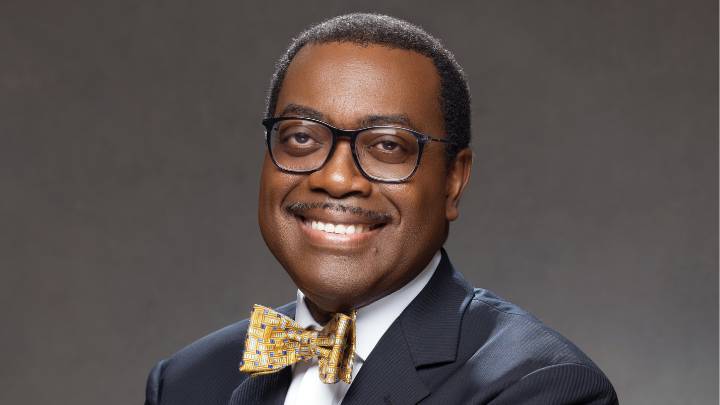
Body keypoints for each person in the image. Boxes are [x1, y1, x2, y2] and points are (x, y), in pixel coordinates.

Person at [145, 13, 618, 405]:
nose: (334, 178)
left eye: (388, 146)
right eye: (302, 137)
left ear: (454, 179)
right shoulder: (185, 383)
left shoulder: (540, 387)